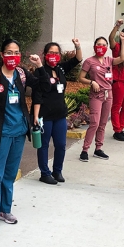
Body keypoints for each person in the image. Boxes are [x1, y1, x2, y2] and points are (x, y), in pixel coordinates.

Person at [0, 39, 50, 231]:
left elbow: (44, 87)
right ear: (2, 55)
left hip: (18, 132)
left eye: (16, 52)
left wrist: (40, 66)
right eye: (9, 52)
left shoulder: (22, 74)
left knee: (9, 175)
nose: (12, 56)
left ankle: (4, 210)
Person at [31, 39, 83, 185]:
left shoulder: (60, 68)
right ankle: (44, 173)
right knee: (44, 145)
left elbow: (78, 59)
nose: (53, 55)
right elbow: (37, 94)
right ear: (45, 55)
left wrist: (77, 45)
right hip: (45, 115)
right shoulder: (41, 71)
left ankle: (57, 171)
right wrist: (35, 115)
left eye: (56, 53)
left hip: (60, 114)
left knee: (61, 144)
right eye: (51, 53)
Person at [79, 33, 124, 162]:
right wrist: (91, 82)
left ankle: (98, 148)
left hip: (108, 94)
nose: (101, 47)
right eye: (99, 44)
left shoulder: (109, 60)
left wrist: (122, 41)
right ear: (95, 46)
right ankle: (85, 149)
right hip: (96, 95)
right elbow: (81, 77)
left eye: (104, 45)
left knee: (103, 123)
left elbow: (122, 57)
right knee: (94, 122)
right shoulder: (89, 61)